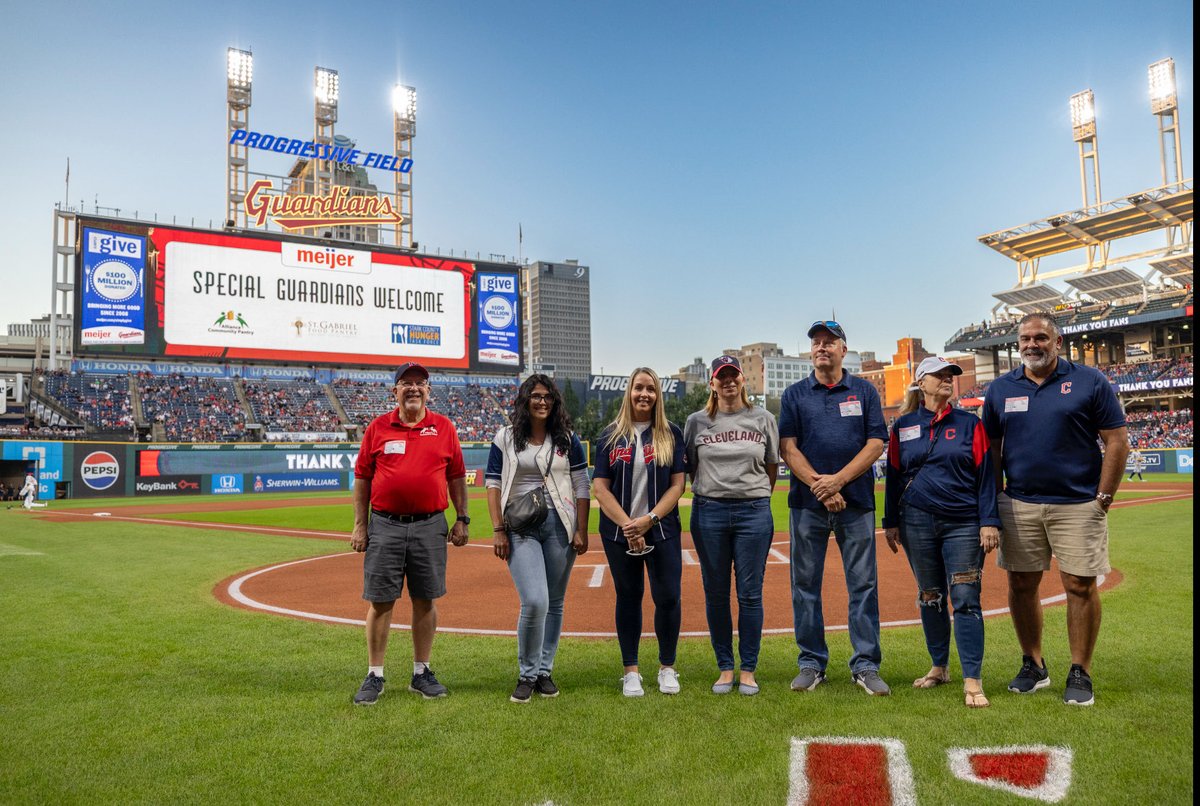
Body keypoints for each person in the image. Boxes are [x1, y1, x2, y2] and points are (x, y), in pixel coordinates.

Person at [982, 312, 1129, 706]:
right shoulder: (999, 389)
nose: (1032, 344)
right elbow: (991, 451)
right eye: (1026, 338)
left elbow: (1116, 442)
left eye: (1041, 338)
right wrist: (995, 500)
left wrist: (1104, 497)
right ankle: (1033, 664)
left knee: (1079, 586)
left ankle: (1080, 670)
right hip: (1019, 503)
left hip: (1079, 503)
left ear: (1058, 342)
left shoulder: (1089, 381)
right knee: (1021, 585)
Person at [779, 320, 890, 696]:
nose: (822, 347)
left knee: (863, 584)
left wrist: (838, 481)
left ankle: (866, 665)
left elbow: (876, 443)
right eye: (816, 343)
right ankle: (811, 663)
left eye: (830, 342)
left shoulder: (864, 391)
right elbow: (788, 449)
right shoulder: (795, 394)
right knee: (805, 585)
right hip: (807, 504)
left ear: (845, 350)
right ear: (810, 352)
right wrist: (820, 486)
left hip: (855, 501)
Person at [350, 362, 471, 705]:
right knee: (381, 600)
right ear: (395, 391)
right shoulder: (378, 428)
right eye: (407, 383)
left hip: (431, 524)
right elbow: (362, 479)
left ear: (429, 391)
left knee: (425, 599)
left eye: (420, 383)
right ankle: (375, 675)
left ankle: (421, 672)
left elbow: (457, 476)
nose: (414, 388)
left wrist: (462, 518)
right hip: (385, 524)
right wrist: (361, 524)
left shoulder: (444, 427)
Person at [883, 357, 1001, 708]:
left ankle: (972, 680)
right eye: (941, 375)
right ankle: (939, 667)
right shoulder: (902, 426)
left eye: (951, 375)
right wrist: (890, 522)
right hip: (916, 522)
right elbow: (892, 477)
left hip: (963, 523)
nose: (948, 380)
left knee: (965, 597)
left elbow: (986, 475)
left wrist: (989, 520)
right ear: (921, 382)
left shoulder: (969, 424)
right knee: (930, 596)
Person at [486, 374, 590, 704]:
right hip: (520, 527)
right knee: (535, 600)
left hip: (560, 525)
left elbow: (582, 486)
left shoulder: (567, 439)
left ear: (554, 402)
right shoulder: (505, 437)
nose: (542, 401)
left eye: (547, 397)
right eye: (536, 396)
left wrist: (581, 529)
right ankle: (527, 674)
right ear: (525, 400)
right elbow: (492, 485)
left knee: (555, 602)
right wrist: (498, 528)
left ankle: (544, 670)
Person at [683, 355, 779, 696]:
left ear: (742, 381)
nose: (728, 382)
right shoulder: (696, 422)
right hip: (709, 511)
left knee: (750, 594)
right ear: (712, 383)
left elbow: (771, 468)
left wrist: (751, 494)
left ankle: (748, 669)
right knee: (716, 594)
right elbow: (693, 469)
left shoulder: (763, 419)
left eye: (733, 376)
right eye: (721, 377)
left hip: (753, 510)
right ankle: (725, 668)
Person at [592, 368, 687, 697]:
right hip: (619, 533)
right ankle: (630, 671)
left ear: (658, 395)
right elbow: (600, 488)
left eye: (650, 389)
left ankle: (667, 667)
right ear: (629, 392)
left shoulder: (671, 433)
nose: (644, 394)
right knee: (629, 597)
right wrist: (628, 525)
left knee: (668, 597)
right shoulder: (610, 436)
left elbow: (678, 485)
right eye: (638, 388)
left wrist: (649, 519)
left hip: (662, 530)